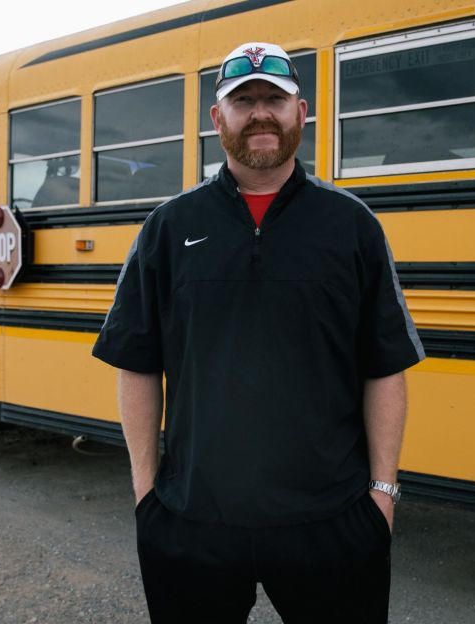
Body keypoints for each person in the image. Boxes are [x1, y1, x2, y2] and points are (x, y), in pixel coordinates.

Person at [92, 41, 425, 623]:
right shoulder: (169, 228)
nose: (260, 113)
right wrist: (147, 496)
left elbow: (384, 366)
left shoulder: (352, 226)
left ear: (302, 113)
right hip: (192, 523)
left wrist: (382, 498)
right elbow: (137, 363)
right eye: (242, 101)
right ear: (217, 119)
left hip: (333, 522)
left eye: (275, 98)